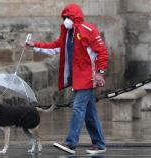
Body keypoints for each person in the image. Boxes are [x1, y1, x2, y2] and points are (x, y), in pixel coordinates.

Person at [26, 3, 109, 155]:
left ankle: (70, 143)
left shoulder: (89, 30)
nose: (65, 20)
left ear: (74, 17)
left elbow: (102, 52)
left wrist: (99, 73)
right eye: (64, 17)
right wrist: (35, 46)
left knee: (78, 108)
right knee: (89, 111)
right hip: (76, 78)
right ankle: (99, 144)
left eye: (67, 17)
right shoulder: (67, 33)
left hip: (87, 77)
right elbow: (56, 47)